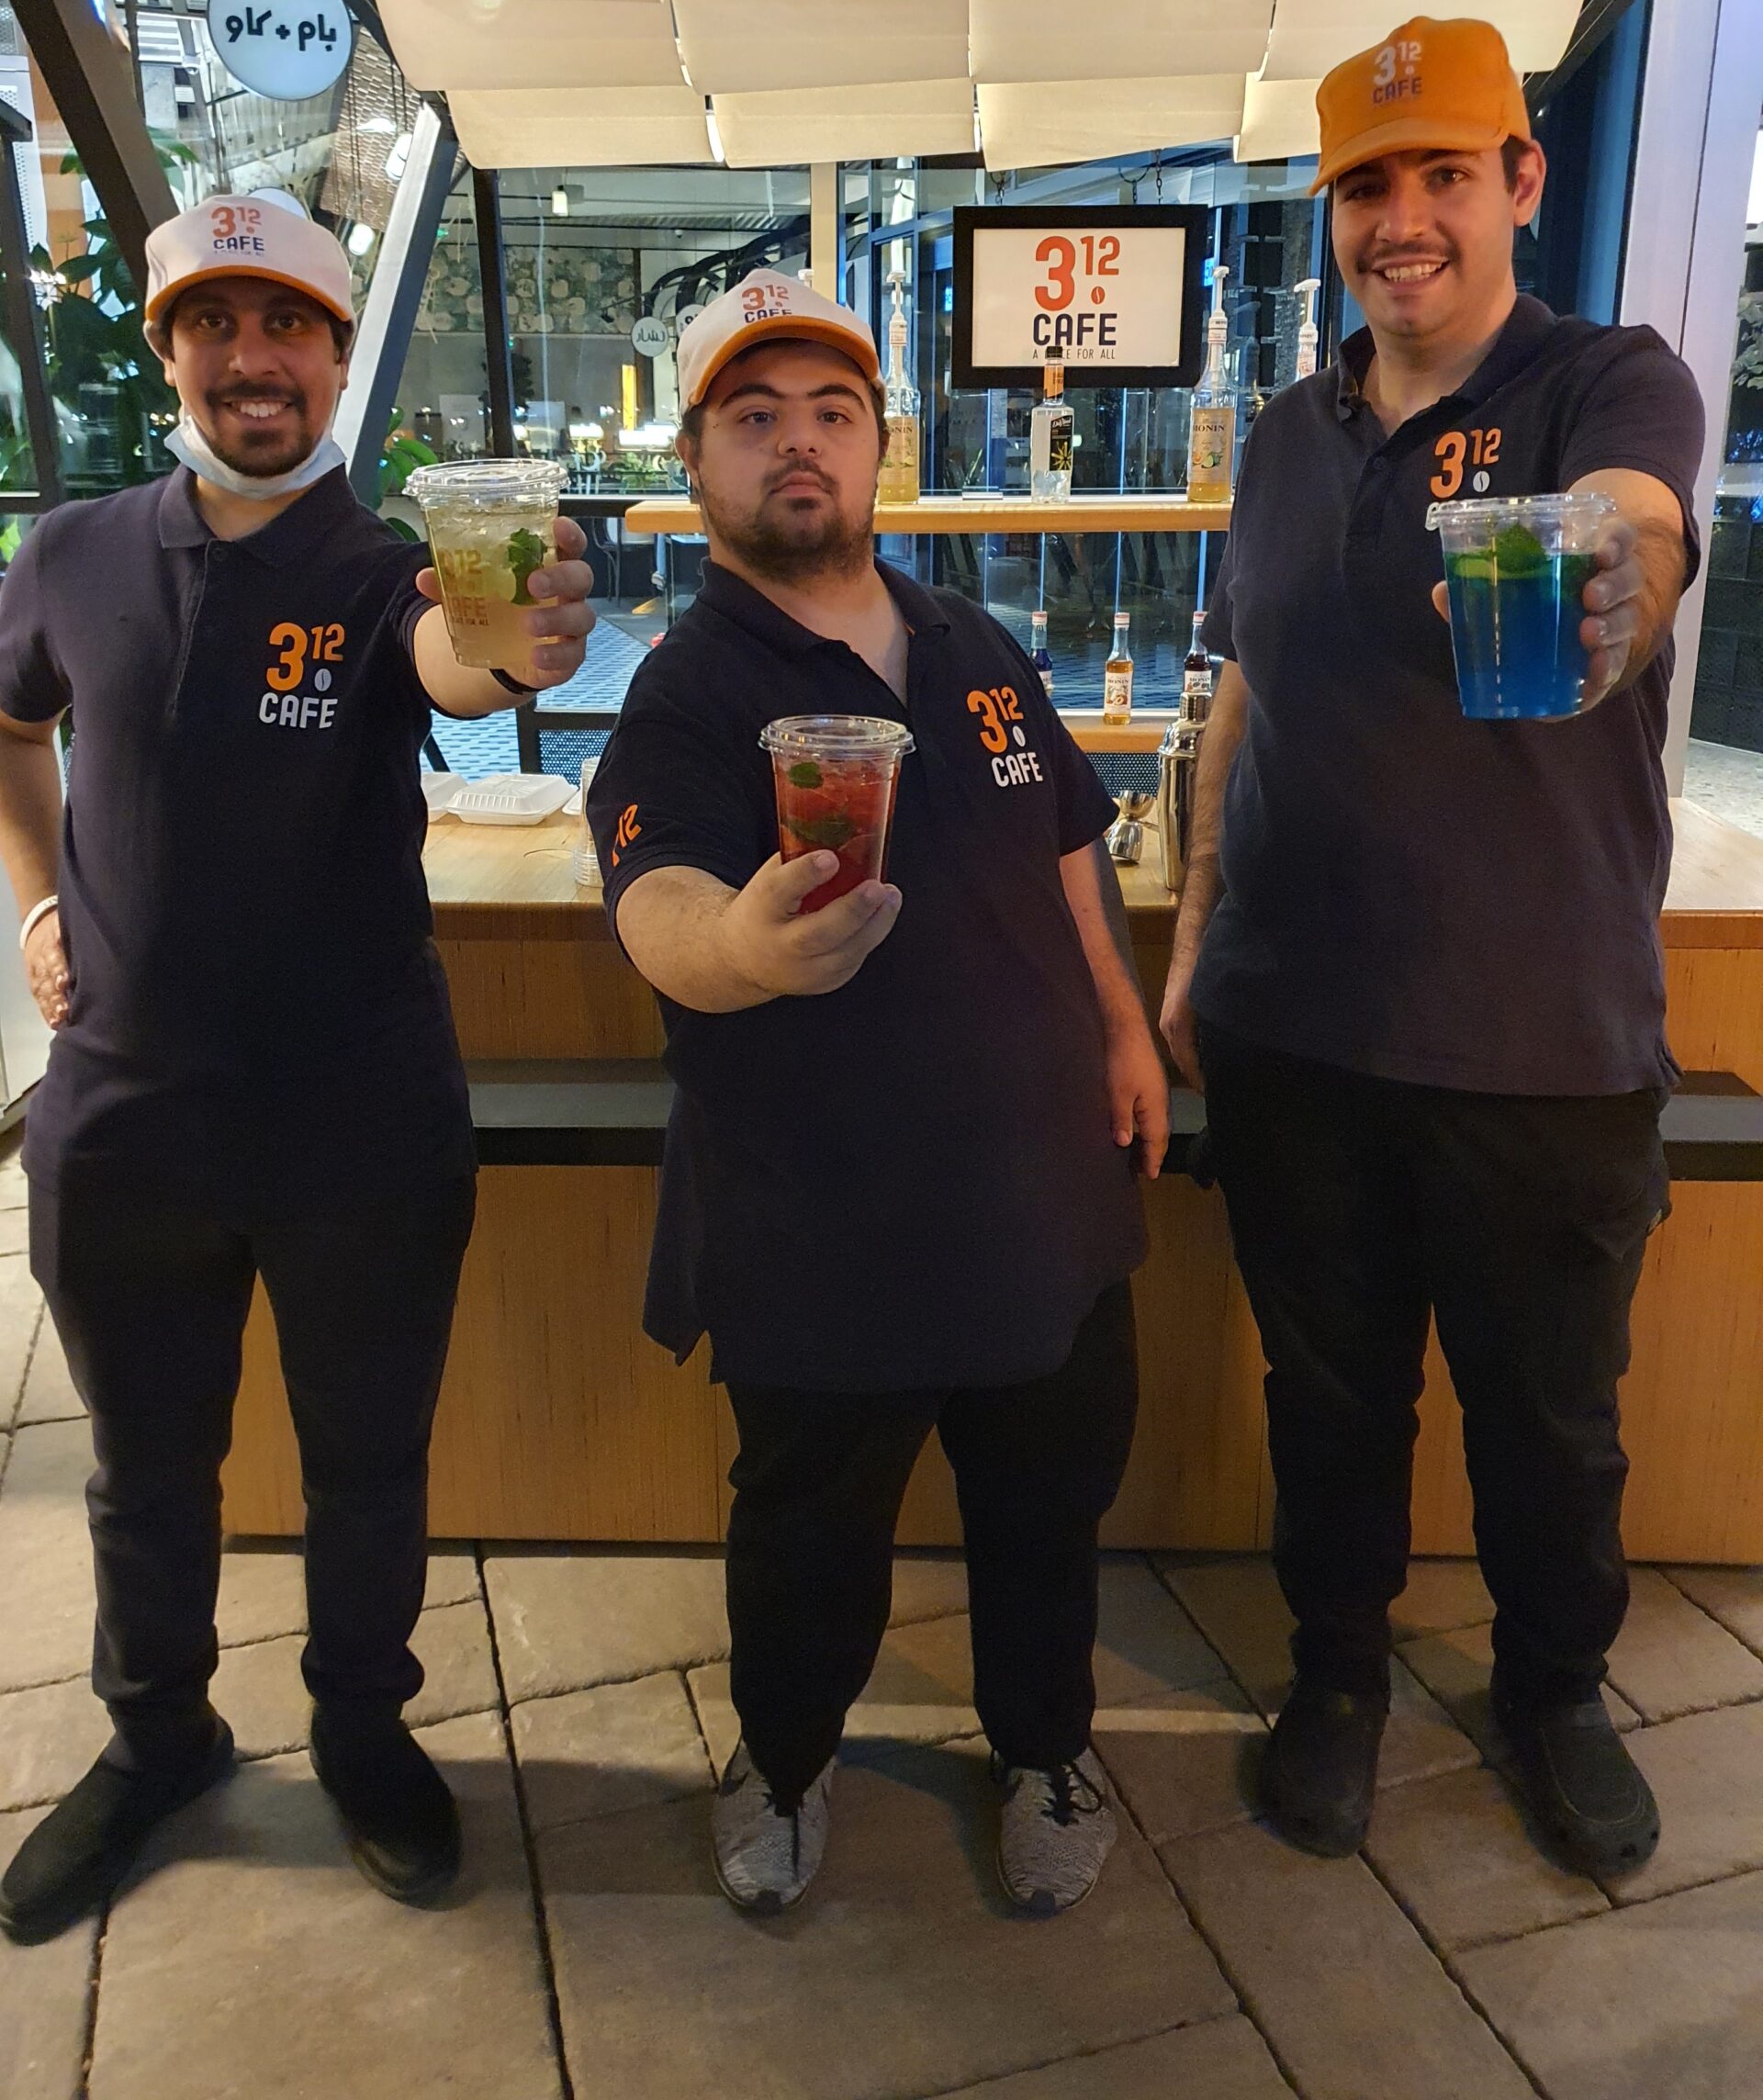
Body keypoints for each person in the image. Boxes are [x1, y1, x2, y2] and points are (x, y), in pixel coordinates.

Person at [0, 193, 596, 1943]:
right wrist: (39, 896)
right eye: (214, 322)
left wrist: (516, 635)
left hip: (357, 1108)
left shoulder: (384, 569)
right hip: (123, 1111)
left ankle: (361, 1728)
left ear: (338, 359)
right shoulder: (71, 551)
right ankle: (155, 1736)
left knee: (365, 1458)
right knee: (141, 1465)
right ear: (169, 349)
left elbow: (457, 661)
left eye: (288, 327)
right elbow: (12, 719)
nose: (251, 359)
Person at [1160, 18, 1703, 1878]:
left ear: (1522, 183)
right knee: (1329, 1401)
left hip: (1541, 1040)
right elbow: (1242, 690)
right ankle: (1336, 1677)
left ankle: (1556, 1691)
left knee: (1550, 1419)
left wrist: (1622, 571)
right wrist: (1193, 938)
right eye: (1367, 186)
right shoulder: (1285, 435)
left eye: (1445, 175)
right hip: (1295, 1029)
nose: (1404, 220)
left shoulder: (1599, 382)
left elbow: (1640, 518)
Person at [586, 273, 1165, 1916]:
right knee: (809, 1534)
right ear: (696, 461)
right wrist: (746, 950)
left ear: (878, 446)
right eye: (754, 417)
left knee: (1046, 1512)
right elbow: (655, 904)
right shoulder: (689, 686)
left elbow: (1069, 846)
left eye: (831, 413)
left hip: (1041, 1196)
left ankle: (1047, 1747)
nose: (800, 444)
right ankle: (782, 1761)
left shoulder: (970, 639)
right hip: (818, 1218)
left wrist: (1123, 1026)